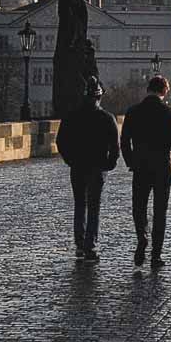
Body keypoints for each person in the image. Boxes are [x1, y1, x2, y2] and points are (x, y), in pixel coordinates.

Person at [120, 74, 171, 268]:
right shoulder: (169, 112)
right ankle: (156, 255)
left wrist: (131, 160)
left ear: (148, 89)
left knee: (139, 206)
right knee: (160, 209)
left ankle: (142, 238)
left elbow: (124, 141)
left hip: (140, 164)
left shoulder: (133, 111)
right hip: (162, 165)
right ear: (164, 91)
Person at [57, 79, 119, 262]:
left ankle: (79, 243)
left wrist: (70, 160)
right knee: (93, 207)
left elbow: (61, 142)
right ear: (99, 96)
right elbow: (115, 146)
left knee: (79, 204)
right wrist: (110, 163)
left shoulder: (71, 116)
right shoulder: (107, 118)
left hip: (78, 165)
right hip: (97, 167)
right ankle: (89, 245)